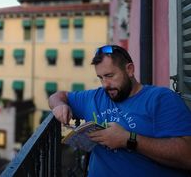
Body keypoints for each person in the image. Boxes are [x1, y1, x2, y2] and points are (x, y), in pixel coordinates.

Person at [49, 45, 191, 177]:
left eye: (110, 76)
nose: (105, 84)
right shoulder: (96, 97)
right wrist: (59, 105)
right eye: (101, 78)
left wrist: (128, 139)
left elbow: (187, 156)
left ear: (129, 70)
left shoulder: (161, 99)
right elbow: (58, 96)